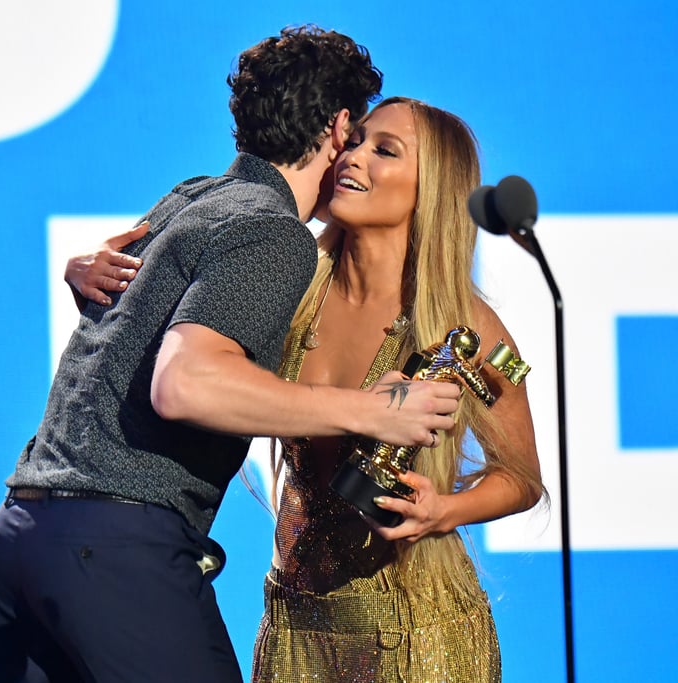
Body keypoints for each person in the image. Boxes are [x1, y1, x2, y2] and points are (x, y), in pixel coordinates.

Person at [0, 27, 465, 683]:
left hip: (18, 538)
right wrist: (371, 413)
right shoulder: (273, 231)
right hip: (115, 552)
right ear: (339, 125)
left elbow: (138, 326)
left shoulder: (191, 196)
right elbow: (185, 385)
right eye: (363, 138)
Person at [71, 97, 545, 681]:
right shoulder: (287, 285)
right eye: (356, 139)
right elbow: (169, 317)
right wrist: (92, 273)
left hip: (420, 634)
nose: (354, 157)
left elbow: (522, 479)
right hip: (293, 624)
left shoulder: (467, 327)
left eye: (385, 150)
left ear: (433, 190)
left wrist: (444, 511)